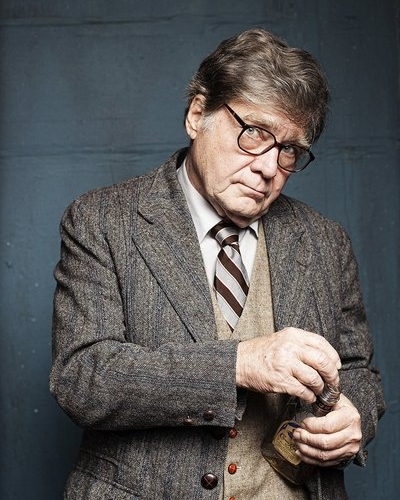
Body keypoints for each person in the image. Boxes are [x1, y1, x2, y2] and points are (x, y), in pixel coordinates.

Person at [50, 28, 385, 500]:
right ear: (197, 115)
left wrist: (355, 416)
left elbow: (357, 371)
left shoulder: (325, 241)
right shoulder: (102, 221)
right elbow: (83, 378)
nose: (268, 167)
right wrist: (239, 363)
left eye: (289, 149)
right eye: (255, 133)